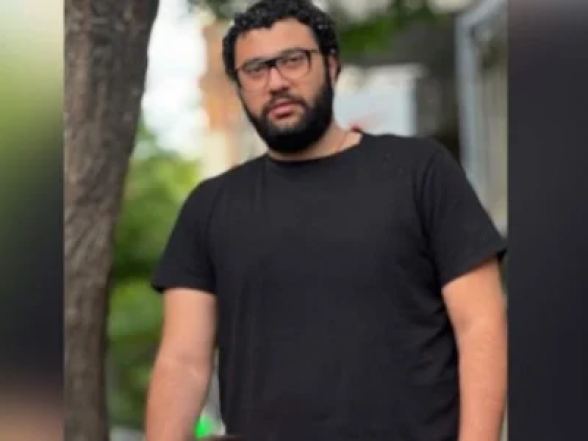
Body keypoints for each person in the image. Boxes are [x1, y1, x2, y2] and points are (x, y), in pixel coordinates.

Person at [145, 1, 507, 440]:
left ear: (331, 65)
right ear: (239, 87)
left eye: (293, 60)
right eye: (255, 70)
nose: (276, 82)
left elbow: (481, 324)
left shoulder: (419, 171)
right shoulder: (210, 206)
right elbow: (183, 361)